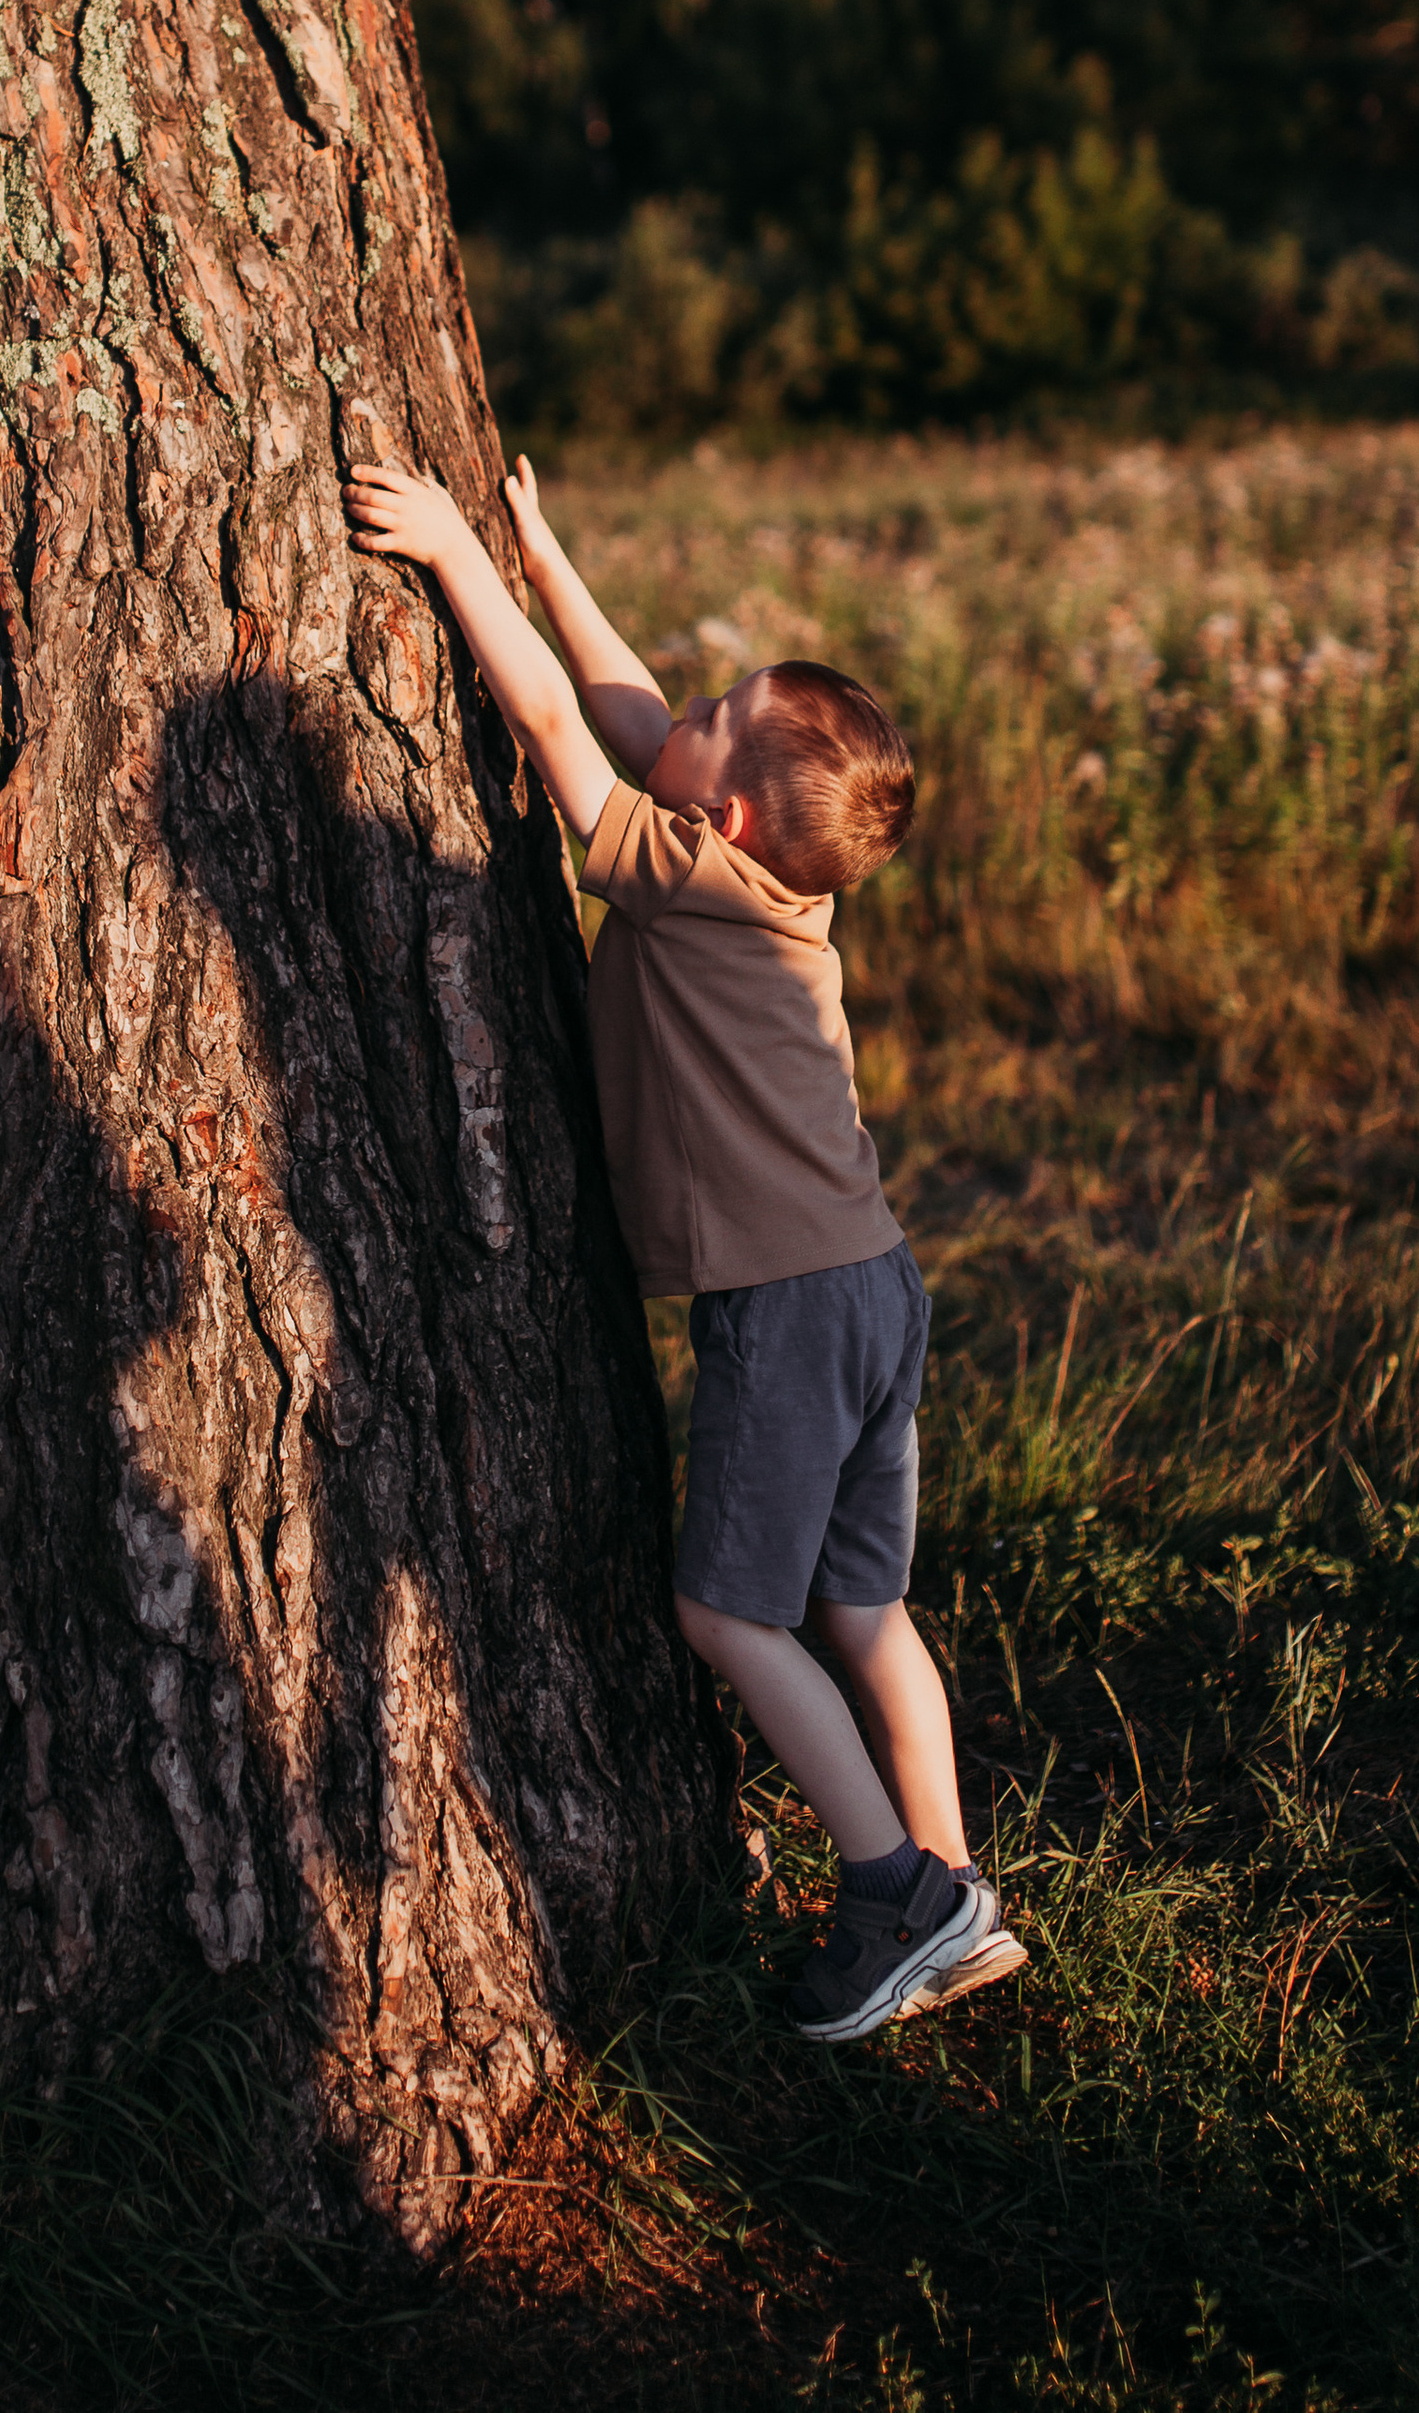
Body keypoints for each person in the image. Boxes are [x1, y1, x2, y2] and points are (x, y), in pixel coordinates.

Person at [342, 446, 1023, 2040]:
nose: (685, 707)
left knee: (728, 1613)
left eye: (716, 713)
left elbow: (564, 736)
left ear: (714, 813)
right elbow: (634, 710)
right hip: (875, 1284)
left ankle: (896, 1897)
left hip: (788, 1310)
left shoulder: (673, 878)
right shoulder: (764, 882)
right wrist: (545, 549)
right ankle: (955, 1881)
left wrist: (454, 558)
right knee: (866, 1615)